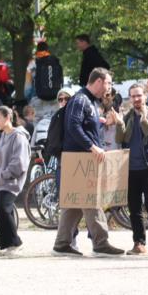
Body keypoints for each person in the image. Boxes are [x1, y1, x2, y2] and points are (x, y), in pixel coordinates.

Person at [52, 68, 125, 257]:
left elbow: (81, 125)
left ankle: (62, 243)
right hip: (81, 160)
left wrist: (100, 122)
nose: (109, 88)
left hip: (80, 159)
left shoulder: (88, 101)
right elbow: (73, 126)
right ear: (99, 81)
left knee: (75, 203)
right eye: (108, 83)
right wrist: (92, 147)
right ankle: (101, 243)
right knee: (93, 199)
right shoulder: (80, 99)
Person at [118, 83, 148, 256]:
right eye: (133, 96)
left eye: (139, 95)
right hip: (130, 168)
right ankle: (138, 242)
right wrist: (118, 123)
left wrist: (144, 120)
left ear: (145, 96)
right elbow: (120, 138)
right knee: (134, 208)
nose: (136, 99)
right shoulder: (127, 116)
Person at [0, 106, 31, 255]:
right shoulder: (2, 135)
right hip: (0, 180)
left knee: (4, 208)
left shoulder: (18, 136)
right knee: (1, 210)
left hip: (11, 181)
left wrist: (5, 174)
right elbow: (1, 154)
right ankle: (7, 245)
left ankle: (15, 242)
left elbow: (20, 161)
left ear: (8, 118)